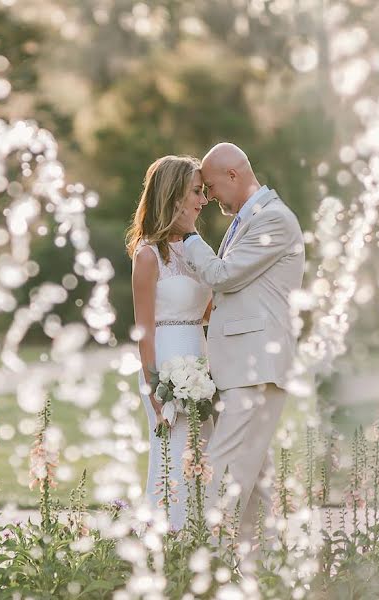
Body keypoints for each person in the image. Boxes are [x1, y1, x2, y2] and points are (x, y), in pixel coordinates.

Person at [180, 142, 305, 542]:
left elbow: (223, 275)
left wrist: (188, 235)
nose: (209, 196)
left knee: (222, 468)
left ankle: (200, 557)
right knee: (255, 481)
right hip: (246, 366)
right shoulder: (247, 219)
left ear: (233, 175)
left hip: (257, 368)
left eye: (212, 187)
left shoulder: (274, 220)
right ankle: (269, 566)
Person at [127, 154, 214, 531]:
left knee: (204, 459)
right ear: (173, 195)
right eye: (196, 191)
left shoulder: (197, 249)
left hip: (201, 360)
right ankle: (166, 546)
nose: (203, 200)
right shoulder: (148, 256)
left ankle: (204, 546)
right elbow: (144, 331)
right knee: (171, 460)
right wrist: (153, 391)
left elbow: (209, 310)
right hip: (166, 366)